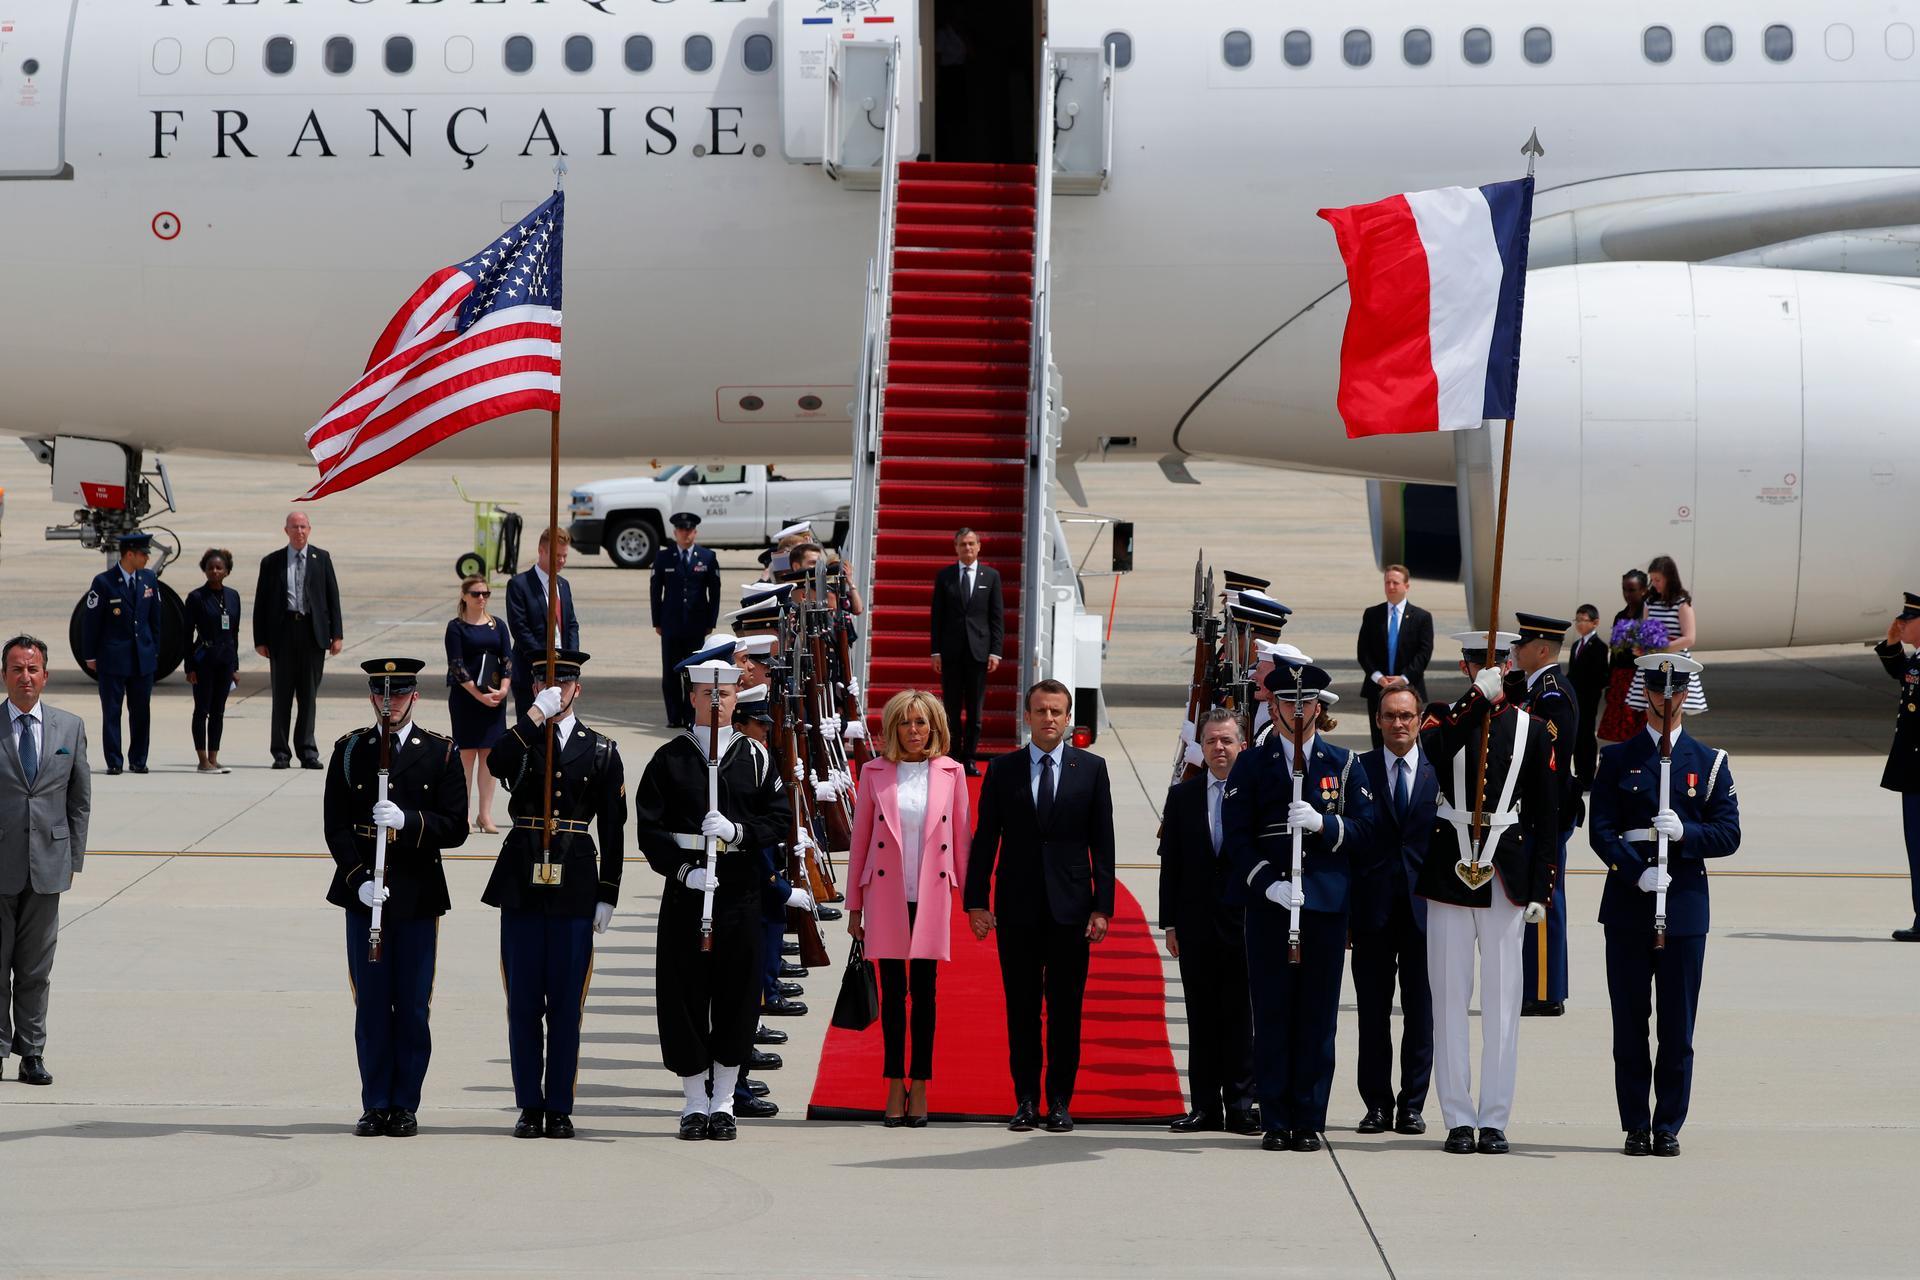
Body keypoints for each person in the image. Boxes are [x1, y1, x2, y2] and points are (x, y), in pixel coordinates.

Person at [633, 638, 796, 1142]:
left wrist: (738, 834)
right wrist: (684, 872)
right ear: (693, 697)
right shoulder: (670, 759)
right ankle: (692, 1102)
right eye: (708, 693)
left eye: (726, 693)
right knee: (684, 996)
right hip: (688, 894)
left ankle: (724, 1100)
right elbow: (649, 831)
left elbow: (779, 819)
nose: (718, 701)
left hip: (739, 893)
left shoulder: (757, 758)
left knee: (736, 994)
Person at [1591, 655, 1741, 1157]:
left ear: (1686, 697)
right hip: (1630, 904)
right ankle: (1635, 1122)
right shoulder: (1616, 759)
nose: (1667, 700)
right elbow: (1601, 831)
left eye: (1675, 692)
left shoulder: (1710, 761)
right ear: (1647, 695)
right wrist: (1636, 872)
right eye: (1658, 691)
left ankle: (1669, 1123)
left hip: (1683, 906)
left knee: (1677, 1026)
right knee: (1630, 1023)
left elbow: (1729, 833)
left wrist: (1688, 833)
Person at [1415, 631, 1557, 1156]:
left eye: (1497, 661)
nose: (1490, 668)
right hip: (1450, 869)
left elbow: (1547, 815)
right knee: (1449, 998)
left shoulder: (1535, 729)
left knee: (1501, 1001)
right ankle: (1457, 1117)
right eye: (1480, 663)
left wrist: (1544, 885)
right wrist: (1478, 698)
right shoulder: (1442, 715)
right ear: (1466, 666)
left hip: (1506, 871)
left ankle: (1494, 1117)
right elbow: (1433, 747)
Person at [1222, 663, 1374, 1152]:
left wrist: (1325, 826)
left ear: (1318, 708)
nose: (1297, 710)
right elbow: (1237, 838)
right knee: (1271, 1013)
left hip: (1324, 907)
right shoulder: (1252, 763)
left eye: (1305, 703)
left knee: (1316, 1015)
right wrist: (1266, 885)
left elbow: (1368, 832)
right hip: (1271, 907)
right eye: (1287, 702)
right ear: (1274, 707)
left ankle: (1309, 1117)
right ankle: (1276, 1117)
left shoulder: (1345, 764)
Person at [482, 648, 626, 1141]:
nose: (556, 690)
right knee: (523, 1002)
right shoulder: (525, 736)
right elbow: (496, 761)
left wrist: (609, 892)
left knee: (566, 1003)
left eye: (563, 684)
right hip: (523, 879)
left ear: (577, 689)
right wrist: (533, 716)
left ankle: (559, 1106)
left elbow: (614, 827)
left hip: (575, 882)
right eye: (546, 682)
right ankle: (528, 1104)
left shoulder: (601, 748)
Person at [323, 658, 468, 1138]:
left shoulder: (440, 753)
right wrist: (358, 876)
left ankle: (405, 1102)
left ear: (415, 697)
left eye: (400, 695)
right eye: (382, 695)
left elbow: (456, 827)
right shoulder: (351, 750)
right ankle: (375, 1102)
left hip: (416, 894)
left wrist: (408, 821)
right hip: (366, 892)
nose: (391, 704)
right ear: (371, 698)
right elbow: (336, 825)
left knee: (410, 1005)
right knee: (371, 1004)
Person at [965, 679, 1116, 1134]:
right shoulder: (1003, 769)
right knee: (1023, 1010)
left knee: (1066, 1011)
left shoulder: (1091, 769)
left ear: (1069, 719)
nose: (1049, 719)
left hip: (1072, 911)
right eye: (1040, 711)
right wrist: (976, 901)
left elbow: (1102, 844)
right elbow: (986, 838)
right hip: (1018, 910)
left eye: (1057, 711)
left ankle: (1061, 1102)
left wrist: (1101, 907)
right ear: (1026, 717)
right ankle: (1026, 1101)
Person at [847, 690, 971, 1128]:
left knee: (926, 994)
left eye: (921, 722)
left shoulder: (951, 773)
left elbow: (961, 840)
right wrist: (854, 908)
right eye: (905, 722)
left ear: (934, 727)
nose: (914, 731)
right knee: (894, 995)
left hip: (931, 896)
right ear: (893, 728)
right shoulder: (874, 772)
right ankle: (893, 1080)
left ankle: (920, 1082)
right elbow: (860, 841)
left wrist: (973, 902)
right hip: (886, 895)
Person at [1157, 707, 1258, 1135]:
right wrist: (1170, 924)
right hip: (1196, 923)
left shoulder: (1258, 795)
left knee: (1240, 1017)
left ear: (1243, 745)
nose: (1219, 748)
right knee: (1201, 1017)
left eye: (1227, 740)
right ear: (1201, 746)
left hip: (1245, 921)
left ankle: (1239, 1104)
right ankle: (1204, 1107)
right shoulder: (1183, 796)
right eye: (1212, 741)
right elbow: (1171, 865)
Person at [0, 636, 91, 1086]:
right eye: (17, 669)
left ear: (46, 676)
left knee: (36, 968)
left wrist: (72, 856)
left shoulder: (68, 728)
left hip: (48, 865)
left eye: (32, 669)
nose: (25, 677)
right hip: (1, 863)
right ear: (4, 676)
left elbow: (79, 799)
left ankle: (32, 1051)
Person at [1351, 685, 1438, 1137]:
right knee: (1372, 1013)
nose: (1398, 723)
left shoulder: (1439, 771)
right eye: (1389, 716)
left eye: (1406, 715)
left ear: (1420, 720)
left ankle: (1412, 1104)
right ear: (1378, 720)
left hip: (1426, 914)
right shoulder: (1357, 769)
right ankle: (1377, 1105)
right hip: (1372, 912)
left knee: (1421, 1013)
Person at [1512, 612, 1579, 1018]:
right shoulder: (1535, 689)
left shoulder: (1551, 695)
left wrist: (1543, 815)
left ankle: (1544, 992)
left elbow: (1550, 762)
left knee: (1544, 897)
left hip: (1545, 811)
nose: (1516, 651)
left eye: (1522, 645)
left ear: (1541, 650)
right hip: (1539, 810)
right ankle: (1540, 986)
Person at [253, 511, 344, 770]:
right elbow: (261, 602)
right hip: (282, 635)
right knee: (282, 697)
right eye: (295, 527)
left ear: (310, 529)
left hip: (312, 634)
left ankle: (307, 750)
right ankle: (281, 752)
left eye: (303, 527)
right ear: (286, 531)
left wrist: (336, 635)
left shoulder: (321, 558)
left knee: (308, 696)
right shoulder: (272, 562)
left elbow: (332, 598)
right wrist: (260, 639)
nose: (299, 531)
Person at [79, 532, 160, 775]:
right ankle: (114, 760)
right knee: (112, 711)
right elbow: (90, 622)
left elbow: (155, 619)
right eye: (143, 554)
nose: (147, 558)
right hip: (113, 658)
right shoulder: (104, 582)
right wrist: (90, 656)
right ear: (129, 555)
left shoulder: (148, 579)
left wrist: (154, 650)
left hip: (141, 657)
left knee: (141, 712)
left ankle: (139, 759)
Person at [930, 528, 1004, 776]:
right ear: (956, 548)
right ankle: (952, 755)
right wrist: (935, 651)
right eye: (963, 544)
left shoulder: (991, 576)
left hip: (978, 652)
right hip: (950, 653)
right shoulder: (945, 576)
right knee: (951, 708)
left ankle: (970, 757)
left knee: (975, 710)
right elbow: (937, 617)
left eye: (972, 544)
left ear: (979, 546)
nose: (968, 548)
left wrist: (996, 651)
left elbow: (996, 617)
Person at [445, 576, 512, 832]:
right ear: (464, 596)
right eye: (475, 594)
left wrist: (504, 689)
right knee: (466, 755)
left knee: (489, 755)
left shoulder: (498, 625)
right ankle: (464, 813)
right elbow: (457, 665)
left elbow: (507, 658)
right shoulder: (456, 627)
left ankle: (485, 814)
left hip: (493, 697)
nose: (481, 598)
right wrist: (478, 695)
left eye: (485, 593)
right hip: (466, 698)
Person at [1875, 592, 1920, 942]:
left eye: (1909, 620)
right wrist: (1892, 644)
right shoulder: (1917, 660)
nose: (1902, 624)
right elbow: (1905, 676)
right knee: (1916, 847)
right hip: (1913, 772)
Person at [651, 512, 722, 728]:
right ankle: (674, 717)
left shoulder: (707, 557)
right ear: (675, 533)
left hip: (696, 625)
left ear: (695, 532)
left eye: (689, 531)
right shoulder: (663, 557)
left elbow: (715, 592)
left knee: (694, 673)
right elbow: (655, 591)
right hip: (671, 625)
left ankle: (691, 716)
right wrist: (657, 621)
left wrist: (711, 621)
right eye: (682, 530)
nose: (686, 534)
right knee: (671, 673)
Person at [1355, 564, 1434, 749]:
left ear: (1406, 586)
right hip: (1377, 688)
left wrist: (1403, 679)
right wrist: (1379, 678)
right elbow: (1363, 652)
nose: (1391, 586)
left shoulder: (1422, 617)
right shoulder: (1372, 614)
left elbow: (1424, 654)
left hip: (1410, 688)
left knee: (1408, 741)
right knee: (1379, 741)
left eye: (1395, 582)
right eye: (1387, 582)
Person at [506, 527, 580, 723]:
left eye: (564, 556)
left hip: (562, 673)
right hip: (532, 671)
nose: (562, 561)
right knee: (532, 731)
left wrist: (570, 661)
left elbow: (571, 625)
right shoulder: (519, 585)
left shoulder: (563, 585)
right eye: (557, 555)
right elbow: (520, 628)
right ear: (541, 551)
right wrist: (544, 662)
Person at [183, 549, 241, 774]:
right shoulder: (196, 597)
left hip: (225, 660)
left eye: (219, 567)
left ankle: (214, 757)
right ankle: (202, 759)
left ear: (227, 571)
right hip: (204, 660)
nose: (214, 571)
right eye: (210, 568)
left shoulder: (233, 596)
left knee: (219, 710)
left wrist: (235, 666)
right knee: (202, 710)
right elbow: (187, 634)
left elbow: (234, 634)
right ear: (204, 570)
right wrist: (189, 666)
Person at [1629, 556, 1708, 715]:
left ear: (1669, 578)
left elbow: (1689, 638)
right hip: (1653, 662)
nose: (1654, 584)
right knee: (1650, 707)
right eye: (1652, 579)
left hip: (1676, 662)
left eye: (1658, 579)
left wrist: (1660, 648)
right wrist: (1641, 647)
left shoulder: (1682, 603)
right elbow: (1644, 632)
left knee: (1674, 708)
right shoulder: (1649, 603)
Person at [1598, 570, 1650, 743]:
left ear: (1644, 590)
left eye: (1631, 590)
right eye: (1624, 590)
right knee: (1619, 730)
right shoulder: (1620, 616)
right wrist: (1608, 681)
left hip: (1639, 678)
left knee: (1638, 727)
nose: (1627, 594)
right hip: (1620, 679)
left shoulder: (1648, 616)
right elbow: (1614, 651)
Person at [1568, 604, 1610, 791]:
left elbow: (1601, 675)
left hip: (1588, 698)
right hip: (1575, 698)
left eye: (1583, 620)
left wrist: (1591, 693)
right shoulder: (1576, 645)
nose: (1579, 624)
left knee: (1587, 735)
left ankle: (1588, 774)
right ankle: (1579, 772)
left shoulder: (1599, 647)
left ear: (1595, 623)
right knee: (1577, 735)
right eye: (1577, 620)